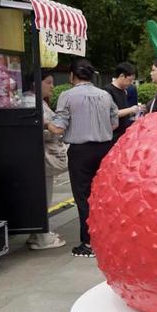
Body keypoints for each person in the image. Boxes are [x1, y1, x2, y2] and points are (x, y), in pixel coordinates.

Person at [48, 59, 118, 257]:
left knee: (83, 196)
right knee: (104, 195)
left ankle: (88, 243)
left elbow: (58, 126)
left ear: (72, 76)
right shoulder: (105, 95)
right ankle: (108, 239)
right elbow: (113, 123)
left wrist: (45, 124)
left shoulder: (67, 96)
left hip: (81, 152)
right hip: (105, 149)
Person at [22, 70, 67, 250]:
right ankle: (42, 236)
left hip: (37, 156)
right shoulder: (30, 102)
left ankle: (38, 231)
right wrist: (53, 131)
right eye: (48, 82)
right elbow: (36, 129)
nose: (52, 86)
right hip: (39, 156)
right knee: (43, 195)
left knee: (41, 194)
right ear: (36, 84)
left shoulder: (33, 101)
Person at [105, 62, 139, 143]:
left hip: (124, 135)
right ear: (122, 76)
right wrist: (131, 109)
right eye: (130, 80)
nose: (131, 83)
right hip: (113, 137)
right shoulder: (107, 91)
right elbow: (110, 114)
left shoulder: (124, 91)